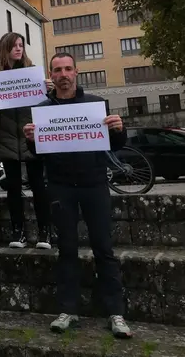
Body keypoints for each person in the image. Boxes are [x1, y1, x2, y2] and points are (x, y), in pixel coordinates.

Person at [23, 53, 131, 339]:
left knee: (104, 248)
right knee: (67, 250)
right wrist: (31, 141)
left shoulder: (95, 104)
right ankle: (68, 310)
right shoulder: (43, 108)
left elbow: (114, 144)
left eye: (68, 69)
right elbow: (36, 155)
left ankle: (115, 313)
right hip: (59, 187)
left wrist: (119, 131)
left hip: (94, 184)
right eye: (57, 70)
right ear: (52, 75)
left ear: (76, 72)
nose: (63, 74)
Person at [0, 32, 52, 249]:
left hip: (30, 134)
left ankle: (45, 232)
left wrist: (48, 91)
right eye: (14, 46)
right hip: (6, 136)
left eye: (21, 45)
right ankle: (17, 232)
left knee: (39, 185)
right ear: (5, 48)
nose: (19, 49)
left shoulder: (32, 74)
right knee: (12, 187)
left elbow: (43, 103)